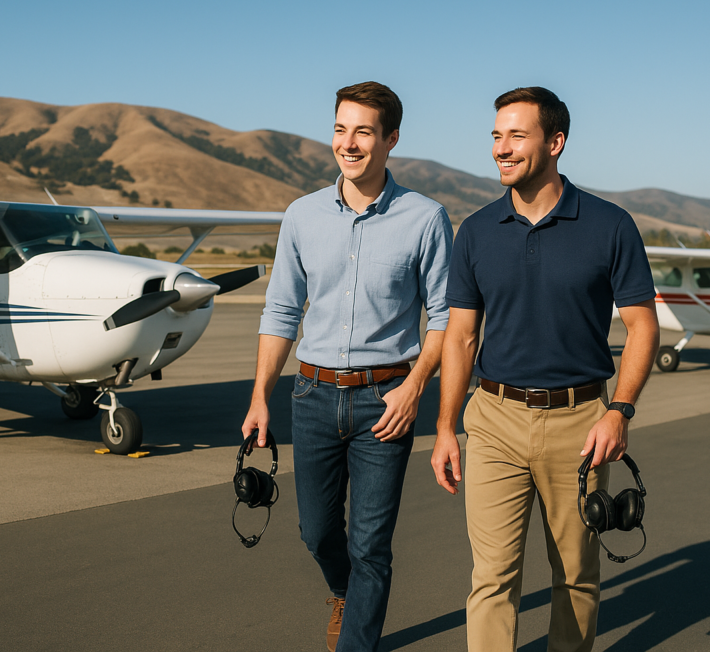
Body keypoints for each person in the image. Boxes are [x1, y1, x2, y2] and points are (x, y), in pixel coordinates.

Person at [430, 86, 660, 652]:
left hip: (580, 423)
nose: (501, 149)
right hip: (492, 421)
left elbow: (642, 326)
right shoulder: (477, 230)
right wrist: (444, 427)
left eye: (516, 136)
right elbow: (460, 337)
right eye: (495, 136)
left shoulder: (610, 225)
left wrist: (620, 411)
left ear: (556, 142)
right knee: (492, 579)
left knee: (576, 577)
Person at [242, 81, 453, 651]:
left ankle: (357, 639)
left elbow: (444, 317)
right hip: (311, 398)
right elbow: (281, 309)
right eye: (341, 128)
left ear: (391, 140)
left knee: (371, 546)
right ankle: (345, 591)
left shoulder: (426, 219)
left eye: (363, 131)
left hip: (385, 401)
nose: (349, 143)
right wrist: (261, 395)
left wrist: (414, 389)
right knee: (316, 533)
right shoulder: (302, 216)